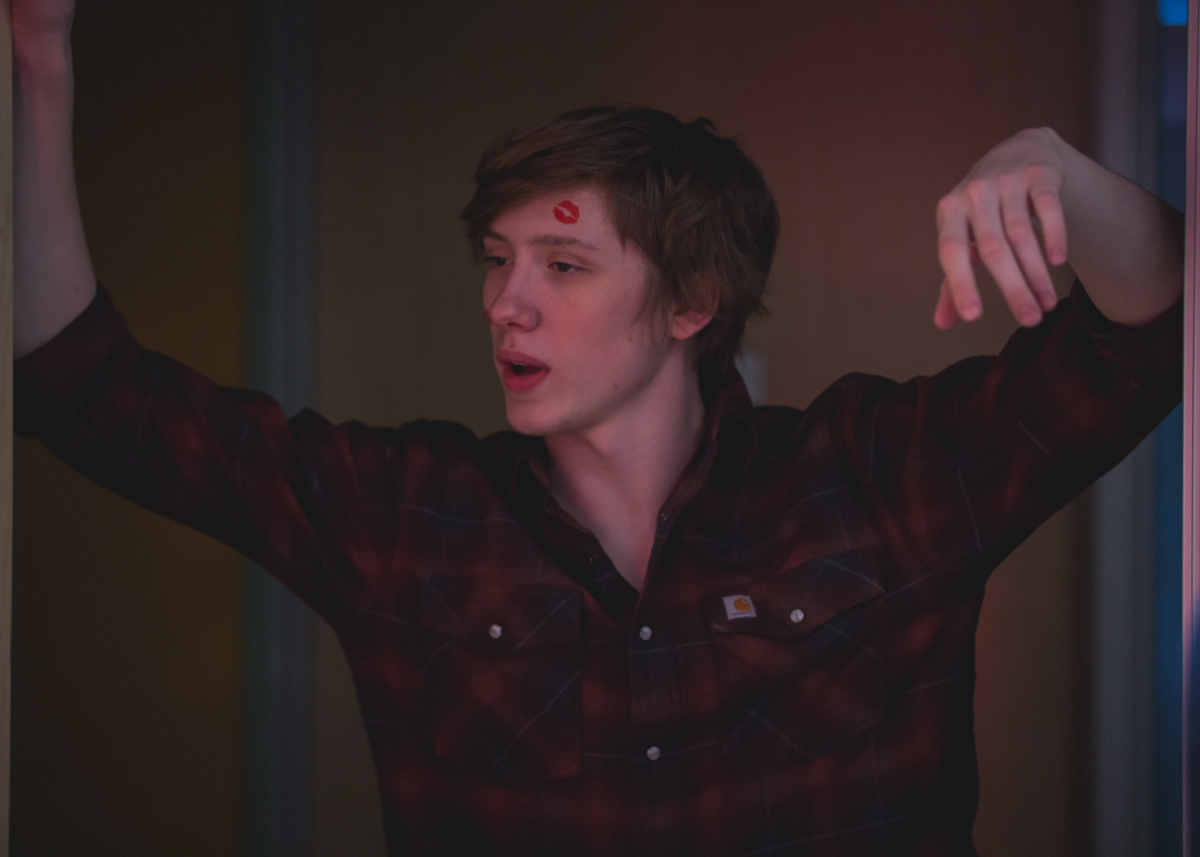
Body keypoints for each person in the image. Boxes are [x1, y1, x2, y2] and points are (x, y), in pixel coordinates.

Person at [11, 2, 1184, 856]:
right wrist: (41, 63)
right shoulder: (407, 518)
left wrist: (1056, 170)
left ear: (689, 303)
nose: (504, 303)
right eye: (499, 259)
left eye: (563, 264)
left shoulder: (877, 481)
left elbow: (1154, 339)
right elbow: (82, 387)